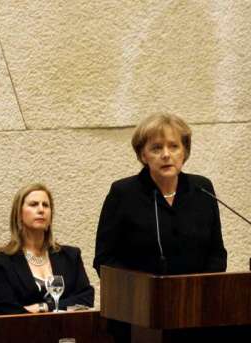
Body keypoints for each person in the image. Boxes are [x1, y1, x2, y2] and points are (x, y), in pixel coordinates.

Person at [94, 112, 227, 276]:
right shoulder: (123, 193)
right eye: (156, 148)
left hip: (197, 291)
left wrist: (200, 286)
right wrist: (142, 285)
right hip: (140, 291)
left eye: (174, 146)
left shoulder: (202, 189)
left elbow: (217, 254)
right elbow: (104, 259)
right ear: (143, 155)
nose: (166, 155)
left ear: (184, 152)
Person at [0, 184, 94, 315]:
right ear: (19, 214)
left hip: (68, 327)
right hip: (24, 328)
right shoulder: (0, 264)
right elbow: (6, 311)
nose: (41, 210)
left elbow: (86, 298)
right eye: (33, 204)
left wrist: (43, 307)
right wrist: (62, 306)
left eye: (46, 205)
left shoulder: (70, 256)